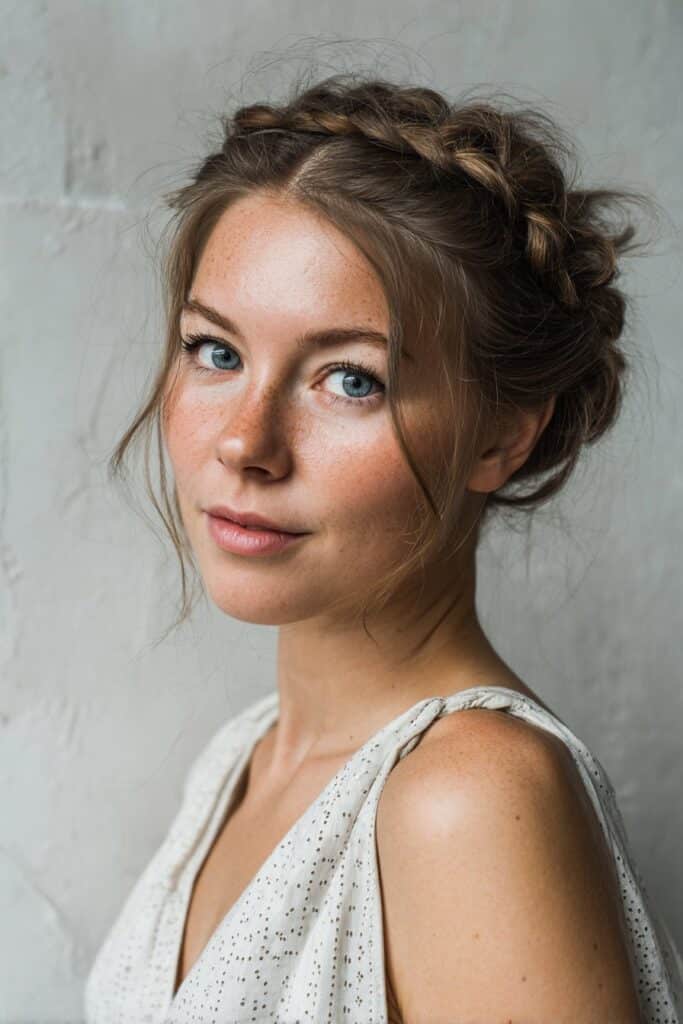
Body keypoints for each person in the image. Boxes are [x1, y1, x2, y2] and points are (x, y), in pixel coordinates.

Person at [84, 72, 682, 1023]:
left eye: (349, 380)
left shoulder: (470, 799)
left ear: (502, 436)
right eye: (217, 351)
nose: (245, 443)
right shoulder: (240, 760)